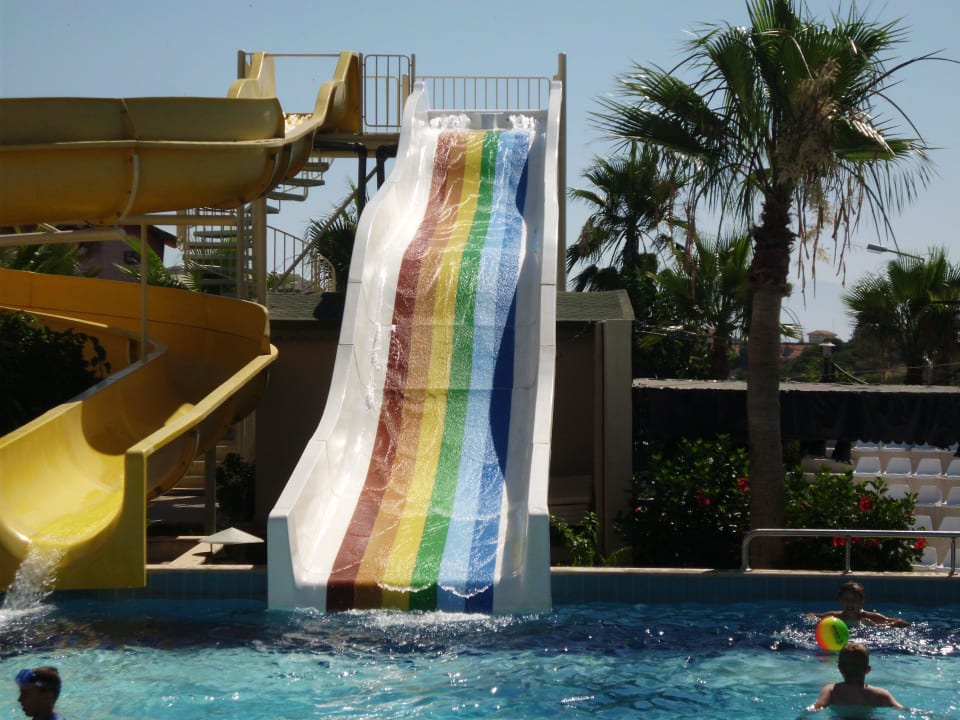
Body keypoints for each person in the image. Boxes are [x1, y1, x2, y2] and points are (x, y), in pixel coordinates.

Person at [812, 642, 905, 710]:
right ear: (868, 670)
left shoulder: (831, 690)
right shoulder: (880, 694)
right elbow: (902, 709)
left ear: (840, 669)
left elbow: (816, 708)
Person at [807, 581, 910, 627]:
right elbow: (810, 615)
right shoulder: (835, 617)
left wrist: (877, 626)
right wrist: (812, 619)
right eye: (846, 599)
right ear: (841, 600)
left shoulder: (870, 617)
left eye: (854, 600)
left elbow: (903, 623)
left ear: (862, 601)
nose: (850, 603)